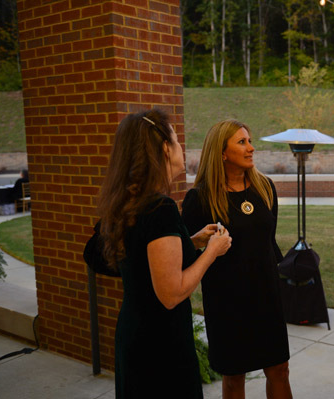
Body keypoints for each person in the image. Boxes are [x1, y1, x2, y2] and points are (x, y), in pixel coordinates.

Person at [97, 109, 232, 399]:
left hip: (136, 334)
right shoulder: (161, 209)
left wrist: (192, 241)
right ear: (164, 148)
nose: (181, 146)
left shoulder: (131, 201)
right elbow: (171, 294)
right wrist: (212, 251)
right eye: (177, 139)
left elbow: (146, 257)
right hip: (159, 345)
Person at [182, 119, 292, 399]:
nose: (251, 148)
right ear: (221, 152)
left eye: (250, 140)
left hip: (267, 297)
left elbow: (268, 243)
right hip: (227, 304)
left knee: (280, 370)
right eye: (242, 142)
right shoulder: (200, 199)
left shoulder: (265, 188)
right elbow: (187, 253)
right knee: (233, 378)